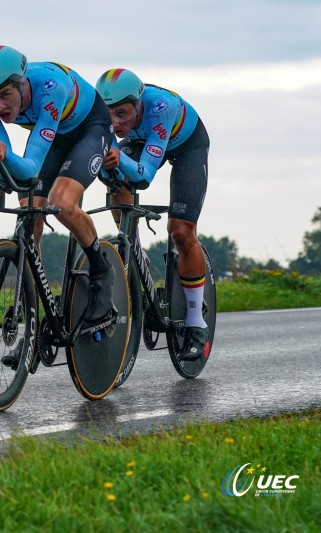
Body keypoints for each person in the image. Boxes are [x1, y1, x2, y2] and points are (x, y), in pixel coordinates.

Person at [0, 46, 116, 368]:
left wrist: (2, 155)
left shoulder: (50, 88)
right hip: (52, 137)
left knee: (61, 203)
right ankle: (35, 327)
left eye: (6, 95)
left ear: (22, 84)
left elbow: (30, 166)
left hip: (90, 128)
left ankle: (100, 267)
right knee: (28, 217)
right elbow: (5, 157)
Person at [94, 68, 211, 361]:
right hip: (142, 140)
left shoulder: (160, 107)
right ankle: (134, 254)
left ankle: (196, 323)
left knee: (181, 230)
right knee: (116, 179)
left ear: (138, 103)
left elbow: (145, 176)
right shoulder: (114, 117)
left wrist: (121, 161)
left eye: (122, 113)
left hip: (187, 146)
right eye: (109, 114)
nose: (115, 122)